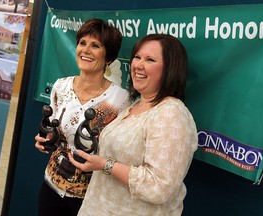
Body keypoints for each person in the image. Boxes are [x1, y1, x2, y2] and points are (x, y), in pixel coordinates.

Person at [68, 34, 198, 216]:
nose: (138, 65)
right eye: (137, 57)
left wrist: (105, 165)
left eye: (150, 59)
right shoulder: (136, 104)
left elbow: (159, 187)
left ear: (170, 69)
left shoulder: (171, 114)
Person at [34, 18, 130, 216]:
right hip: (51, 186)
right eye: (82, 43)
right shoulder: (60, 86)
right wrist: (46, 138)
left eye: (95, 45)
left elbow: (120, 150)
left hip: (90, 198)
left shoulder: (120, 99)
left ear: (109, 57)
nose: (85, 50)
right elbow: (54, 130)